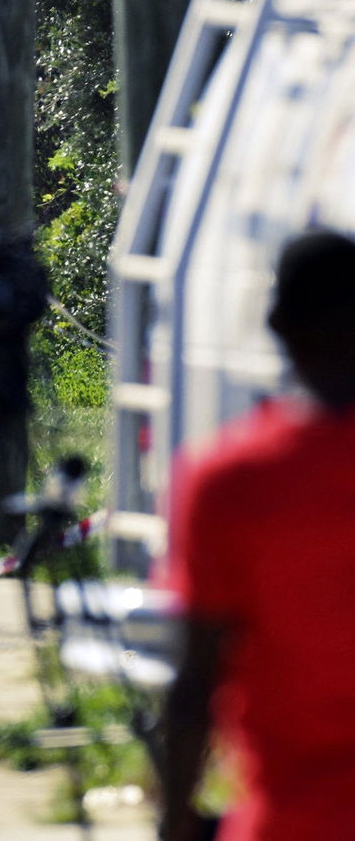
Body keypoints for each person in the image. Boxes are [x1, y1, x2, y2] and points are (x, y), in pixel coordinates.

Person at [160, 230, 355, 841]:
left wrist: (175, 818)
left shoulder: (230, 480)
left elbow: (196, 681)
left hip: (286, 821)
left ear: (278, 325)